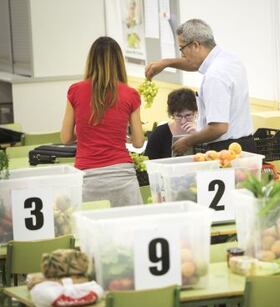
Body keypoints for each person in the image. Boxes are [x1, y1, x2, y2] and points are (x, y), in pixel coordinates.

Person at [145, 19, 257, 155]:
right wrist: (166, 63)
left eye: (182, 48)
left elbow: (219, 128)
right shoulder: (230, 60)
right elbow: (194, 64)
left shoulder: (214, 76)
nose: (182, 55)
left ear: (196, 45)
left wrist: (187, 141)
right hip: (245, 145)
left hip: (226, 151)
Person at [61, 36, 145, 207]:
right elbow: (138, 142)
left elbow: (65, 138)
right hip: (122, 178)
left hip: (87, 179)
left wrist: (87, 132)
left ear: (91, 61)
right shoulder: (130, 94)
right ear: (119, 62)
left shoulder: (75, 91)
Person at [144, 88, 197, 159]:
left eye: (188, 115)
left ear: (196, 112)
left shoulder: (204, 131)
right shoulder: (160, 133)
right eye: (178, 116)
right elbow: (148, 161)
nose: (183, 121)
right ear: (172, 114)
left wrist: (197, 135)